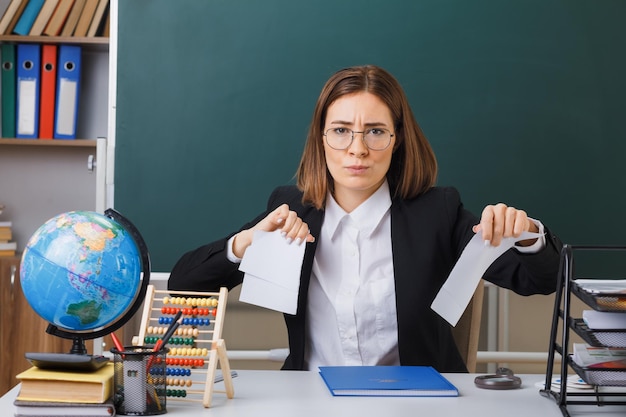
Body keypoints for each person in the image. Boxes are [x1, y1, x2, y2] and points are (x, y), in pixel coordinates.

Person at [168, 65, 562, 373]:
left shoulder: (436, 213)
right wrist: (247, 242)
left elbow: (541, 280)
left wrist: (527, 236)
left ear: (397, 139)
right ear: (321, 140)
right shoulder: (291, 210)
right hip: (311, 399)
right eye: (341, 131)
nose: (357, 149)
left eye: (375, 131)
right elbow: (184, 282)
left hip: (417, 404)